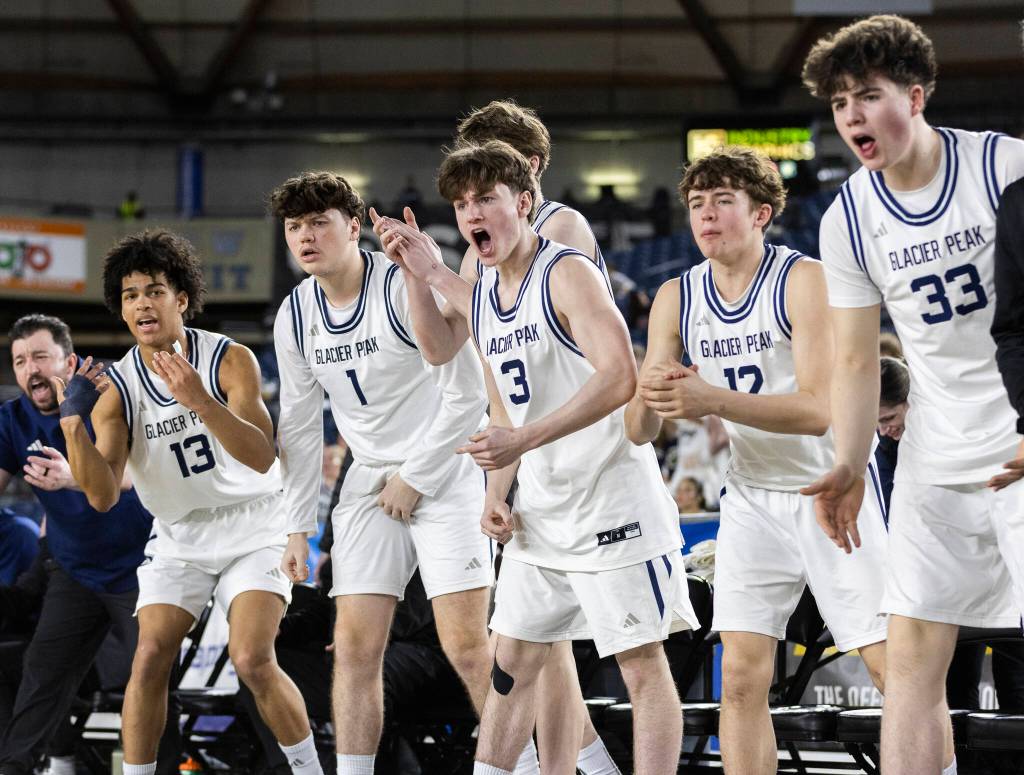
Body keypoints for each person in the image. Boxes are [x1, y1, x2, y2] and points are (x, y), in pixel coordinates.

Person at [374, 139, 697, 775]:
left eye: (486, 199)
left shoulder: (566, 269)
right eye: (462, 203)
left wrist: (524, 440)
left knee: (641, 667)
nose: (472, 213)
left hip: (611, 499)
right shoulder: (486, 286)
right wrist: (497, 491)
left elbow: (619, 378)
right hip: (541, 510)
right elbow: (495, 401)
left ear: (524, 203)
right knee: (510, 666)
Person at [800, 15, 1024, 774]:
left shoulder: (1005, 169)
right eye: (839, 104)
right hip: (937, 450)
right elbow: (859, 361)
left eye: (868, 94)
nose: (852, 115)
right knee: (911, 661)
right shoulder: (849, 219)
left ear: (917, 95)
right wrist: (850, 463)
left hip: (1020, 436)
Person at [626, 147, 888, 774]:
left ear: (762, 212)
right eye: (696, 204)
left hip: (829, 486)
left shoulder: (803, 280)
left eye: (723, 202)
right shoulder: (675, 295)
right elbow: (640, 428)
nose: (706, 216)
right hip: (750, 495)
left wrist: (710, 398)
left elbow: (820, 409)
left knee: (890, 665)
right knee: (741, 676)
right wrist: (651, 394)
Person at [56, 231, 322, 775]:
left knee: (251, 657)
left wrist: (198, 399)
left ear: (181, 299)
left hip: (254, 525)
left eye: (154, 290)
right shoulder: (117, 387)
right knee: (150, 655)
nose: (142, 304)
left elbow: (262, 458)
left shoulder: (230, 358)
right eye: (130, 295)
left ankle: (309, 768)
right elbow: (103, 496)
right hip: (180, 535)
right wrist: (70, 425)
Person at [268, 173, 506, 775]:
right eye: (294, 227)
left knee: (470, 647)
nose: (305, 236)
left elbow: (469, 394)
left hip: (445, 467)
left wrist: (417, 477)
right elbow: (297, 427)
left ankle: (520, 768)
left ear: (354, 227)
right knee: (352, 648)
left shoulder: (400, 284)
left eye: (319, 222)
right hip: (369, 479)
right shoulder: (295, 314)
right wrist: (297, 527)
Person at [411, 98, 621, 774]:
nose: (474, 196)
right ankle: (574, 763)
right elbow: (446, 346)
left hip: (577, 448)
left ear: (528, 173)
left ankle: (586, 762)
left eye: (492, 174)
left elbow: (561, 347)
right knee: (535, 637)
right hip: (518, 445)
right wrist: (418, 273)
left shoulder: (562, 231)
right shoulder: (482, 247)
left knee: (622, 649)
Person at [0, 314, 154, 775]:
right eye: (21, 360)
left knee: (147, 680)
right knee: (41, 675)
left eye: (41, 357)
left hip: (140, 568)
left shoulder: (110, 397)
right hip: (74, 569)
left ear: (68, 361)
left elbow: (134, 477)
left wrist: (73, 477)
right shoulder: (12, 420)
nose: (31, 370)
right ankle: (15, 768)